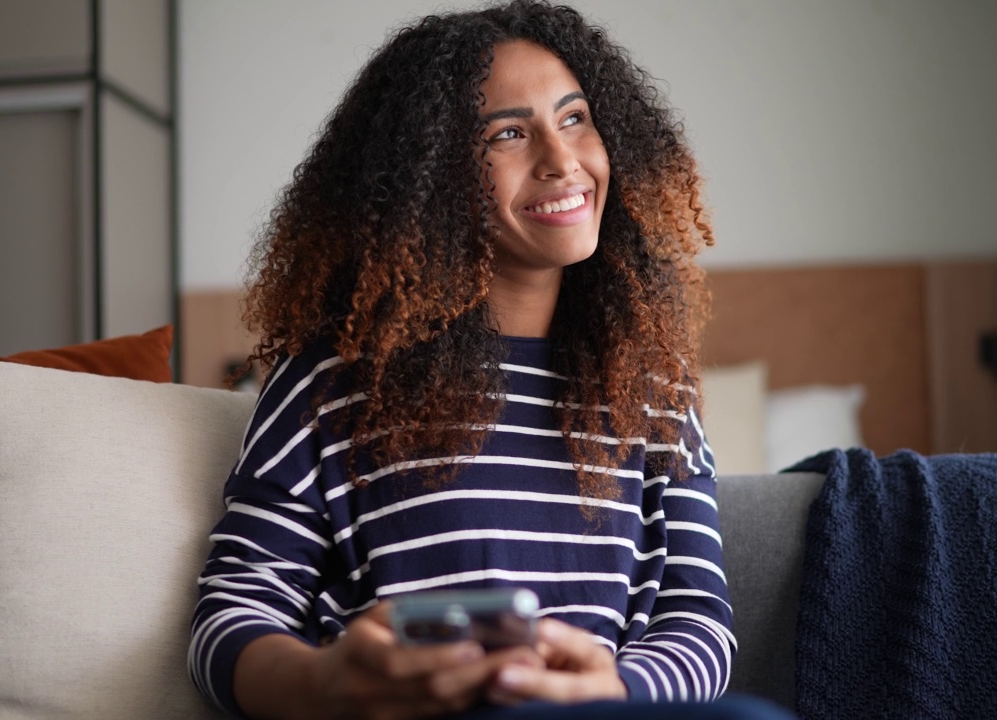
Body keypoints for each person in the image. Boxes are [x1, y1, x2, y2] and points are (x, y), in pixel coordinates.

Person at [190, 3, 787, 719]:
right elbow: (229, 619)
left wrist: (614, 687)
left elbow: (699, 620)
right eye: (509, 133)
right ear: (430, 178)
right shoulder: (331, 384)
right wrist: (327, 683)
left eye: (575, 119)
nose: (563, 161)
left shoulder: (654, 387)